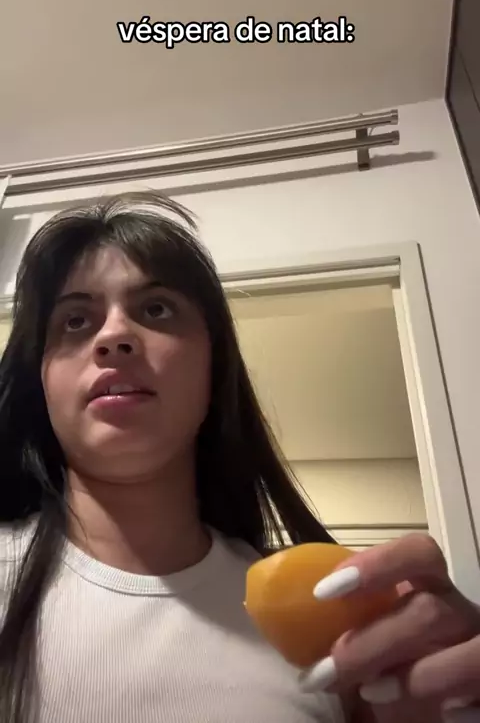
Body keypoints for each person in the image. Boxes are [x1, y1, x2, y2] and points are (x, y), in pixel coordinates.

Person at [0, 191, 478, 723]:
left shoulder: (329, 627)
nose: (113, 335)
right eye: (74, 321)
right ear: (40, 382)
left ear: (214, 365)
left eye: (156, 309)